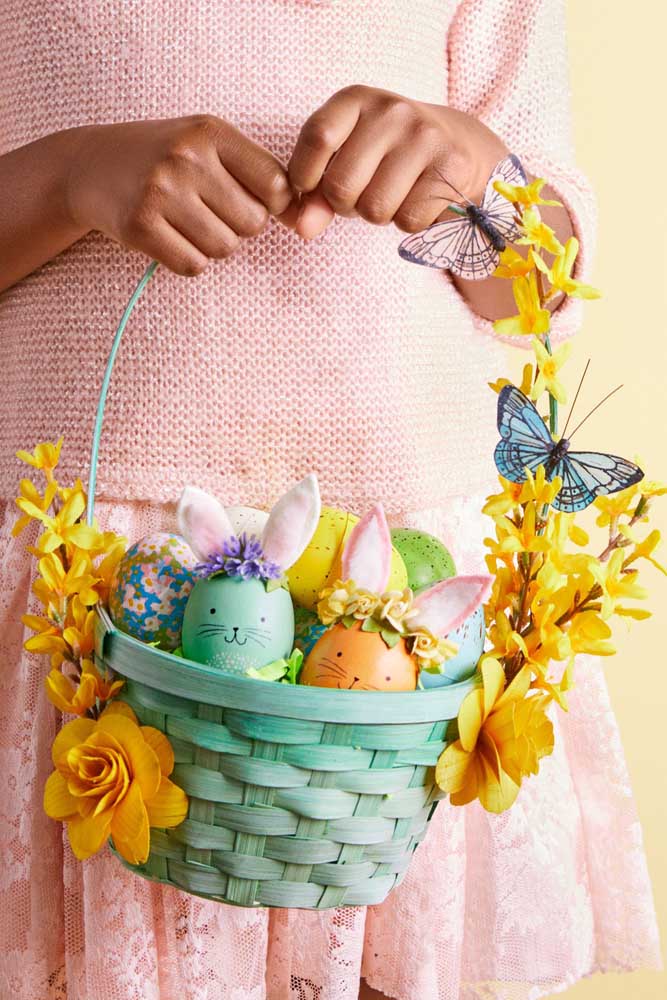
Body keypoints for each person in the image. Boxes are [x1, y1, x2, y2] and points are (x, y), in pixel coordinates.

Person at [0, 2, 660, 998]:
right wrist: (60, 177)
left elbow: (537, 293)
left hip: (405, 595)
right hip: (88, 590)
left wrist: (475, 175)